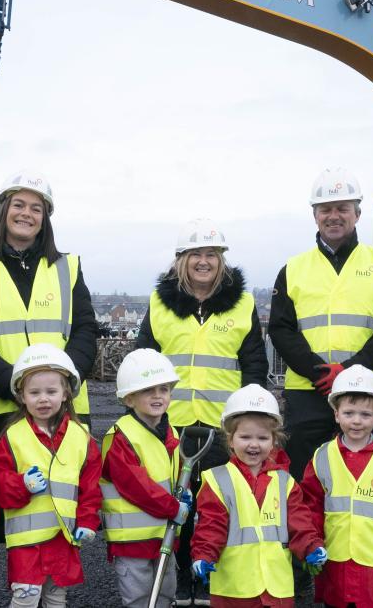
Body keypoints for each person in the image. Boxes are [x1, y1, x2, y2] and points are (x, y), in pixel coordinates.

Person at [0, 172, 98, 602]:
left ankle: (49, 587)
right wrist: (18, 389)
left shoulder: (67, 266)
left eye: (37, 208)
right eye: (19, 205)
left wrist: (62, 387)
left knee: (54, 500)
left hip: (63, 407)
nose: (27, 214)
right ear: (3, 212)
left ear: (46, 218)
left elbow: (86, 331)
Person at [133, 218, 267, 603]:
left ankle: (210, 577)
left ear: (221, 260)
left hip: (221, 426)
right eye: (196, 255)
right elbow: (144, 358)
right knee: (178, 506)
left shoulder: (242, 302)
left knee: (217, 504)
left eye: (211, 254)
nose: (203, 261)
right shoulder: (161, 302)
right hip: (171, 424)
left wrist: (249, 414)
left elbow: (254, 363)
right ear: (181, 260)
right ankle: (181, 580)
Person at [269, 168, 373, 480]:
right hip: (308, 392)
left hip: (369, 390)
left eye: (342, 208)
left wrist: (349, 373)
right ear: (315, 215)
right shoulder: (293, 269)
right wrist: (320, 373)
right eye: (326, 209)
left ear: (357, 214)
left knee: (371, 476)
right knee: (304, 477)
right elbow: (281, 329)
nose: (334, 216)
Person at [0, 343, 102, 608]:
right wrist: (20, 484)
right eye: (34, 392)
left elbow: (90, 488)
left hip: (63, 538)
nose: (43, 399)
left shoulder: (81, 437)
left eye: (51, 391)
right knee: (25, 598)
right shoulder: (12, 436)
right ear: (21, 395)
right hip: (27, 543)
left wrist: (87, 521)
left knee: (55, 598)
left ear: (65, 394)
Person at [296, 365, 373, 608]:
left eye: (365, 415)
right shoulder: (322, 456)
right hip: (335, 562)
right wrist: (310, 545)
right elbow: (308, 507)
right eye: (349, 413)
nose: (356, 421)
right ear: (336, 414)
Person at [190, 385, 321, 608]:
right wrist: (203, 556)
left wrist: (311, 547)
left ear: (274, 441)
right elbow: (211, 526)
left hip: (276, 587)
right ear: (230, 440)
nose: (254, 444)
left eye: (262, 437)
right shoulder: (217, 480)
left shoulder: (285, 482)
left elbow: (300, 523)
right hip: (234, 589)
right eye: (245, 436)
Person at [100, 349, 194, 608]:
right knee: (140, 599)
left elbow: (169, 474)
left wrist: (182, 493)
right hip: (131, 540)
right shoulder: (121, 437)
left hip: (163, 534)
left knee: (165, 595)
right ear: (129, 399)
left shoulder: (171, 431)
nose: (157, 396)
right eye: (148, 390)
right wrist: (174, 507)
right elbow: (136, 486)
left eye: (163, 389)